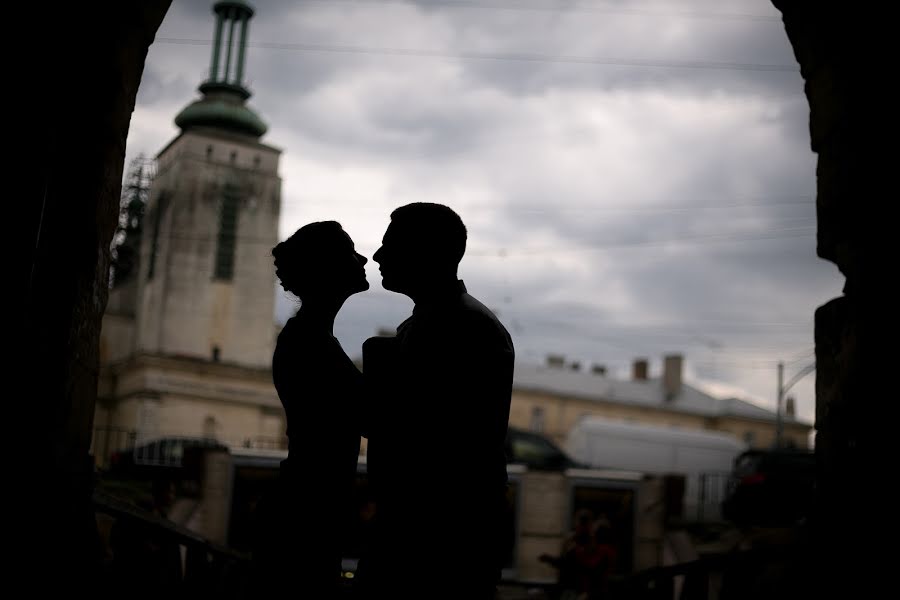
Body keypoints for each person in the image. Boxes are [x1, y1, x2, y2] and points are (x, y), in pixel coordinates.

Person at [356, 203, 515, 599]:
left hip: (432, 541)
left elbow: (416, 431)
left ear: (427, 252)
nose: (377, 255)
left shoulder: (456, 326)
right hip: (434, 536)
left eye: (390, 245)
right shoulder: (442, 321)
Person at [251, 221, 369, 598]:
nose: (363, 257)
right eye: (352, 251)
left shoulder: (308, 338)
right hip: (307, 513)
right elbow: (370, 417)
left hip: (307, 507)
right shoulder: (310, 344)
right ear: (328, 269)